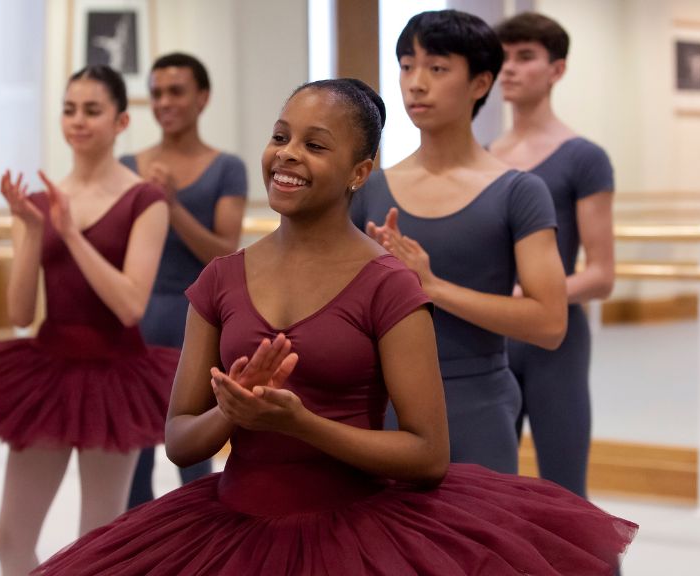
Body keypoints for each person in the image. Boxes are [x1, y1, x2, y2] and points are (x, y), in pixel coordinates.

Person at [33, 77, 634, 576]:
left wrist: (302, 423)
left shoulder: (389, 283)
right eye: (280, 137)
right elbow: (181, 439)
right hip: (234, 527)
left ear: (359, 171)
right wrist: (233, 413)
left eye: (315, 145)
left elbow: (427, 455)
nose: (288, 153)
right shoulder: (220, 279)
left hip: (353, 535)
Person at [0, 65, 177, 576]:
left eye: (92, 110)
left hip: (116, 373)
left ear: (121, 121)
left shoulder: (145, 200)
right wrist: (29, 227)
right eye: (69, 109)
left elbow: (131, 305)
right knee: (10, 537)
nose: (77, 120)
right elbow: (20, 312)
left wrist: (70, 235)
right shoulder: (40, 201)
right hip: (49, 368)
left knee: (97, 541)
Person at [351, 9, 567, 475]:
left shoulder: (518, 191)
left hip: (477, 404)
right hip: (378, 406)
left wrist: (432, 287)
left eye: (437, 68)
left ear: (480, 83)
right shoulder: (369, 188)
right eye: (407, 66)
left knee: (473, 545)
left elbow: (549, 321)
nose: (415, 83)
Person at [489, 12, 616, 498]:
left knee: (564, 491)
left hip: (553, 340)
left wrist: (534, 295)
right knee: (487, 490)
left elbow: (601, 275)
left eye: (525, 57)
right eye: (503, 58)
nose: (510, 69)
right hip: (492, 338)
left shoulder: (583, 158)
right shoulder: (484, 154)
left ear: (556, 70)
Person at [120, 52, 247, 507]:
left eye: (176, 91)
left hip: (198, 320)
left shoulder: (227, 167)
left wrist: (170, 204)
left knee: (193, 453)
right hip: (134, 317)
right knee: (130, 454)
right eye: (156, 93)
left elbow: (223, 253)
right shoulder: (128, 164)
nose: (164, 102)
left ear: (202, 98)